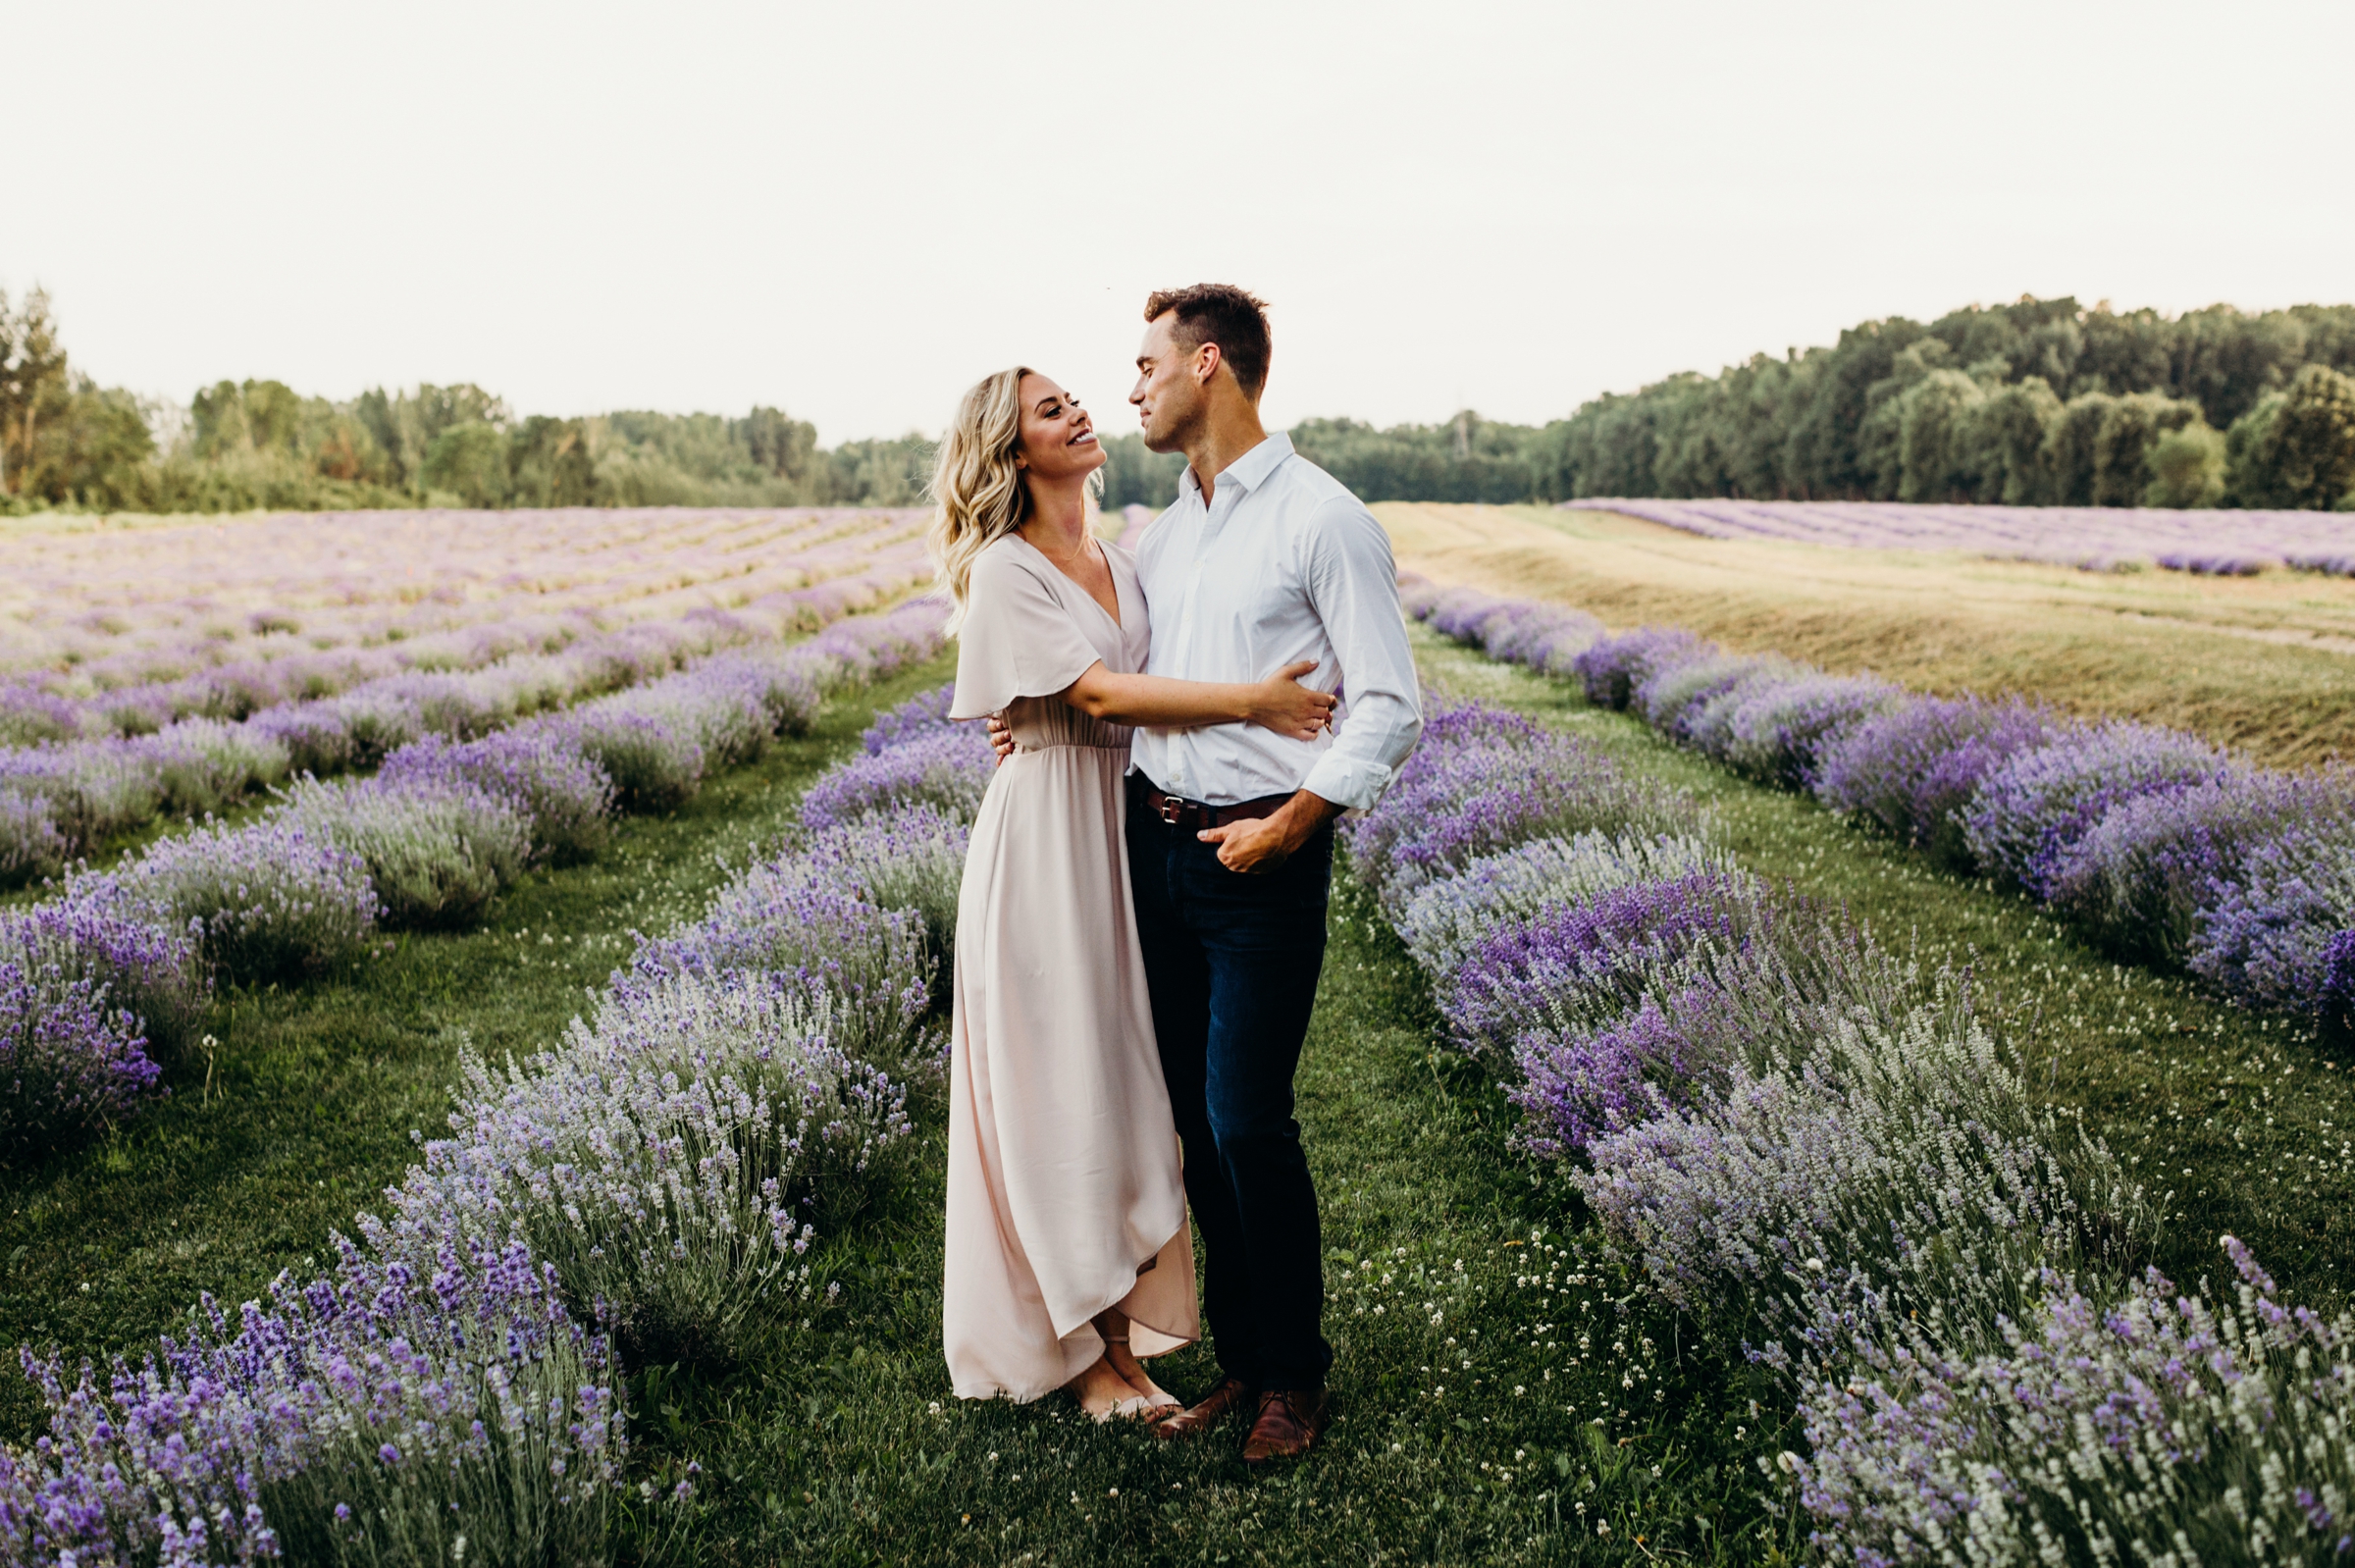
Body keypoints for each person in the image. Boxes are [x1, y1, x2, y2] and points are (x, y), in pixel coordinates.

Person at [994, 286, 1424, 1463]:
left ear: (1212, 368)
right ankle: (1244, 1356)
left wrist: (1296, 820)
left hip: (1260, 851)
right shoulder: (1160, 536)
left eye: (1145, 365)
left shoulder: (1322, 520)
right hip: (1155, 842)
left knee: (1247, 1114)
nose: (1128, 388)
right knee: (1190, 1118)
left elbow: (1389, 698)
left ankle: (1296, 1373)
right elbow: (1115, 677)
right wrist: (1032, 719)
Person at [932, 364, 1340, 1422]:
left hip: (1124, 827)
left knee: (1126, 1092)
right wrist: (1256, 700)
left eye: (1073, 396)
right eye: (1048, 408)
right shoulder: (1006, 566)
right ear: (1012, 451)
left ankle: (1121, 1337)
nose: (1077, 409)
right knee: (1056, 1081)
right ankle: (1082, 1354)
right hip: (1045, 844)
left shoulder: (1129, 553)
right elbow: (1103, 690)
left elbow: (1154, 673)